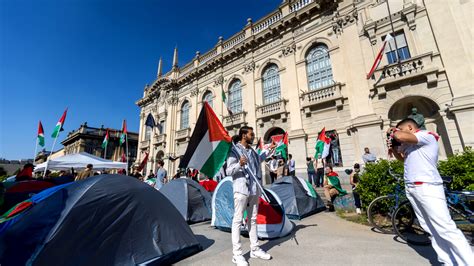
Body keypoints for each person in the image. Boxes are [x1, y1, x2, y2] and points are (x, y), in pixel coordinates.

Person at [388, 118, 473, 265]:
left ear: (409, 127)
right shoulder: (410, 144)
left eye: (400, 129)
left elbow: (399, 136)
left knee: (445, 228)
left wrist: (392, 132)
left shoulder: (426, 135)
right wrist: (394, 149)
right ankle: (447, 261)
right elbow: (402, 159)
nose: (398, 133)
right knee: (431, 229)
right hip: (413, 188)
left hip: (427, 187)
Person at [226, 126, 275, 266]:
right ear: (243, 135)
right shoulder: (234, 150)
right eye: (251, 134)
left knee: (252, 219)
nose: (253, 136)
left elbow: (258, 159)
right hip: (241, 189)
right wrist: (239, 165)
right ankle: (237, 254)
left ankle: (255, 249)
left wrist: (269, 149)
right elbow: (229, 171)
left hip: (254, 189)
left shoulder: (252, 151)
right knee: (237, 220)